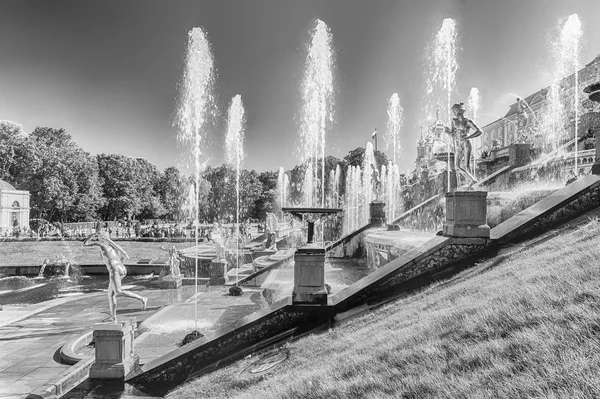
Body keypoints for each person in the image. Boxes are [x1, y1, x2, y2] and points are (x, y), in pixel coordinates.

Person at [84, 231, 147, 322]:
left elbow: (85, 243)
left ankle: (141, 298)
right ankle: (113, 317)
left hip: (114, 269)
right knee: (111, 294)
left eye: (99, 237)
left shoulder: (102, 245)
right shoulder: (114, 248)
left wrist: (92, 235)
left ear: (102, 238)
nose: (97, 239)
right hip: (121, 268)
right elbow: (125, 258)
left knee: (118, 292)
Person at [445, 102, 483, 187]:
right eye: (453, 110)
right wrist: (447, 132)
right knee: (456, 166)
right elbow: (453, 134)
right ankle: (472, 179)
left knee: (466, 165)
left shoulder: (467, 122)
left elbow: (479, 131)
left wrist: (469, 137)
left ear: (460, 110)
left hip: (466, 144)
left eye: (455, 110)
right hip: (458, 146)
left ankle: (469, 183)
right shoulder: (454, 121)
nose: (454, 112)